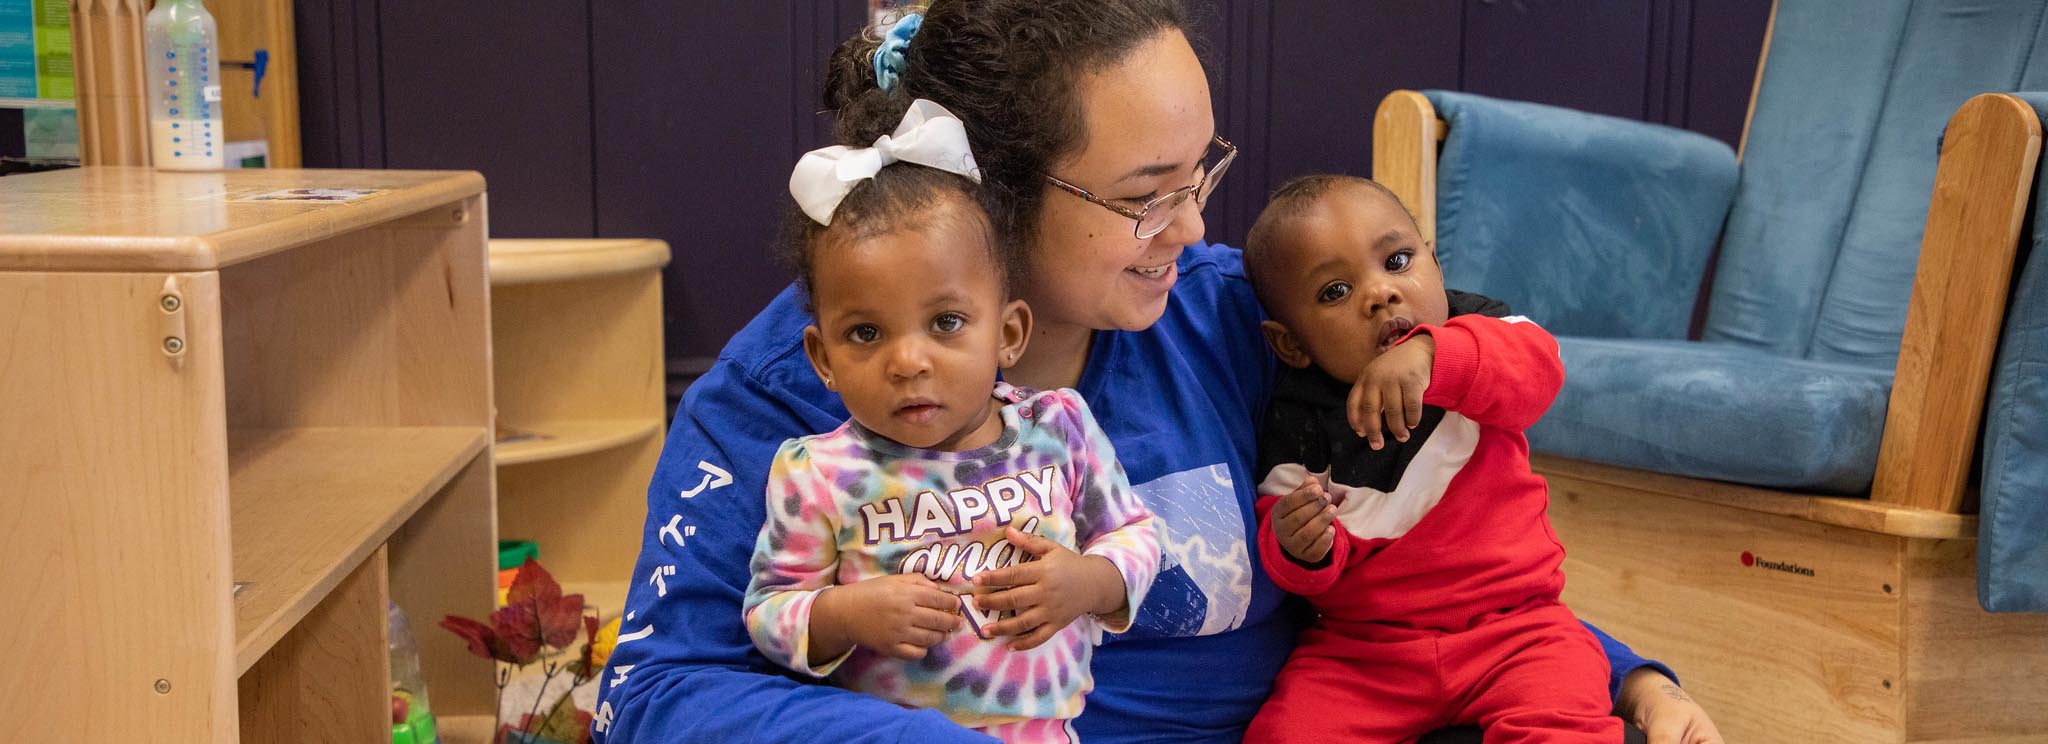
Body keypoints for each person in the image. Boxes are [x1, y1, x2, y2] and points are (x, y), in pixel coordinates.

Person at [595, 2, 1726, 742]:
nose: (1192, 227)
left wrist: (1620, 675)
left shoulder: (1242, 312)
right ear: (989, 191)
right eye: (1144, 195)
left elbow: (1439, 557)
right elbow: (656, 689)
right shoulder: (794, 385)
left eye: (1202, 171)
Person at [742, 97, 1160, 744]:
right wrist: (846, 614)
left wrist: (1086, 582)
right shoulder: (819, 474)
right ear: (822, 358)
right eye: (865, 333)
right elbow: (769, 612)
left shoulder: (1057, 427)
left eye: (946, 323)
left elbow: (1135, 538)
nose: (908, 361)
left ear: (1009, 333)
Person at [1239, 175, 1638, 743]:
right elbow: (1299, 543)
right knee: (1286, 734)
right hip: (1365, 656)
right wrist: (1296, 542)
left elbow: (1539, 370)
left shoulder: (1478, 331)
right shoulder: (1298, 416)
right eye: (1335, 292)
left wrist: (1432, 354)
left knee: (1566, 717)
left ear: (1436, 261)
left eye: (1398, 260)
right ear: (1292, 344)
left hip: (1517, 632)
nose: (1380, 293)